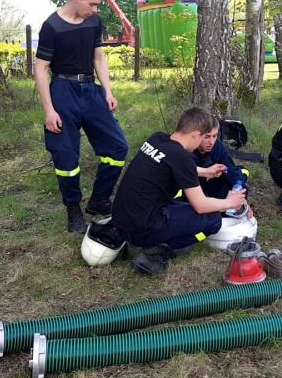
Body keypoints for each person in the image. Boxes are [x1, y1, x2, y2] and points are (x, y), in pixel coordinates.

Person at [35, 0, 129, 234]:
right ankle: (73, 211)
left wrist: (108, 92)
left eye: (97, 5)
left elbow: (99, 57)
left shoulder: (94, 22)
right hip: (63, 92)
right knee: (66, 157)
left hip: (91, 92)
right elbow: (41, 69)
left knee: (118, 147)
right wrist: (49, 109)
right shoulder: (51, 26)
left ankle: (99, 200)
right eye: (93, 4)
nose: (95, 10)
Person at [105, 107, 246, 275]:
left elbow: (172, 165)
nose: (205, 142)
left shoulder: (156, 139)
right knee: (213, 220)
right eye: (203, 137)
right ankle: (155, 253)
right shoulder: (183, 157)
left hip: (120, 219)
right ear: (195, 134)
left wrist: (205, 171)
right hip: (140, 229)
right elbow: (201, 205)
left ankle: (148, 240)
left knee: (179, 206)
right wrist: (230, 202)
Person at [193, 120, 250, 199]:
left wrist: (239, 190)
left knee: (236, 174)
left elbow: (229, 167)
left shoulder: (217, 145)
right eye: (207, 137)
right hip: (191, 188)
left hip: (209, 184)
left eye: (215, 136)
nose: (211, 142)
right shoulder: (188, 149)